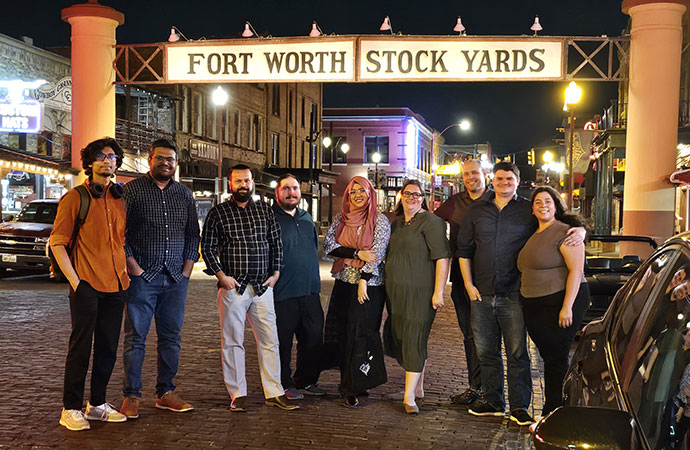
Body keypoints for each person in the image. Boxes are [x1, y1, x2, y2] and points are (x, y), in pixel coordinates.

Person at [457, 161, 584, 426]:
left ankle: (519, 406)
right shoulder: (476, 211)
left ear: (516, 181)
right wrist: (468, 285)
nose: (504, 183)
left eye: (509, 179)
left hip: (514, 293)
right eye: (500, 179)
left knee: (517, 353)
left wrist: (581, 231)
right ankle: (492, 400)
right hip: (481, 293)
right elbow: (464, 251)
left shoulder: (527, 210)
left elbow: (557, 222)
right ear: (492, 180)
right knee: (486, 352)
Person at [201, 164, 298, 412]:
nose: (243, 185)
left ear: (252, 182)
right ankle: (237, 394)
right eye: (238, 181)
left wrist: (275, 273)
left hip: (263, 287)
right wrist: (221, 276)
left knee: (270, 340)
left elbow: (275, 243)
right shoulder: (218, 213)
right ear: (230, 184)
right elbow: (208, 248)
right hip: (234, 286)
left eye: (247, 180)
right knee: (232, 342)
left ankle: (274, 391)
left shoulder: (264, 211)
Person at [50, 137, 129, 431]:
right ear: (90, 163)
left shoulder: (120, 199)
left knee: (108, 347)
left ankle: (96, 405)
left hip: (116, 285)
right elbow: (57, 243)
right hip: (87, 285)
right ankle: (70, 408)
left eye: (112, 156)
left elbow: (122, 240)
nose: (108, 160)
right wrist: (76, 281)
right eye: (101, 156)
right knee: (81, 348)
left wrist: (128, 272)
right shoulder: (75, 198)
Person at [119, 138, 200, 419]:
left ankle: (166, 392)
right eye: (161, 158)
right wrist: (133, 267)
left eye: (171, 159)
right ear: (149, 159)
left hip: (175, 279)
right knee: (135, 338)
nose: (166, 163)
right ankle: (131, 396)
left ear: (176, 163)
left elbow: (193, 234)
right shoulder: (132, 191)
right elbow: (120, 234)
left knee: (171, 338)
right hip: (143, 278)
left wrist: (187, 269)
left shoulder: (184, 194)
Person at [516, 186, 589, 417]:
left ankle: (555, 411)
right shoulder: (534, 233)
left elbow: (576, 271)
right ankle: (556, 407)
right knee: (550, 357)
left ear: (556, 205)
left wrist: (567, 307)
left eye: (547, 201)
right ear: (532, 209)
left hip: (559, 302)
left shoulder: (567, 233)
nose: (543, 205)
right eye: (538, 202)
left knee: (556, 358)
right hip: (536, 305)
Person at [323, 175, 390, 408]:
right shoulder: (341, 219)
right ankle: (349, 382)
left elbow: (376, 252)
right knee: (342, 332)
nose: (357, 195)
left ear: (370, 193)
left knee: (361, 332)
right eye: (353, 191)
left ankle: (357, 383)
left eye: (362, 191)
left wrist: (364, 279)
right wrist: (355, 254)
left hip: (369, 286)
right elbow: (329, 246)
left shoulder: (379, 221)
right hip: (343, 282)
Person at [384, 179, 450, 414]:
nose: (412, 198)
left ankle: (408, 396)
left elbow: (442, 257)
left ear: (423, 198)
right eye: (407, 194)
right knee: (403, 337)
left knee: (414, 337)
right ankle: (418, 388)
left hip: (420, 292)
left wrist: (438, 292)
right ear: (400, 197)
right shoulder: (396, 224)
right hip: (396, 293)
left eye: (417, 194)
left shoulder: (432, 223)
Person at [434, 159, 492, 405]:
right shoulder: (454, 203)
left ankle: (493, 392)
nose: (470, 178)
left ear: (484, 174)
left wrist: (578, 230)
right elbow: (425, 222)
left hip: (492, 280)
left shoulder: (497, 199)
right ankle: (475, 387)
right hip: (461, 281)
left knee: (491, 338)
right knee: (470, 336)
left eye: (475, 173)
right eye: (466, 174)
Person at [271, 173, 326, 400]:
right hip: (283, 293)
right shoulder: (269, 219)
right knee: (282, 342)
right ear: (277, 193)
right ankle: (284, 382)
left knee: (312, 339)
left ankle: (306, 381)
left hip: (310, 292)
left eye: (294, 188)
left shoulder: (306, 218)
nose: (291, 192)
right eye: (286, 188)